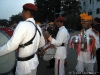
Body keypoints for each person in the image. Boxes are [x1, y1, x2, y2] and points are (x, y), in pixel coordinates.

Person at [0, 3, 45, 75]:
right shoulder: (38, 27)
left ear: (27, 13)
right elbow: (42, 43)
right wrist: (32, 47)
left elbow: (11, 46)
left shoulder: (22, 24)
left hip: (23, 66)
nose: (22, 14)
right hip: (33, 63)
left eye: (22, 12)